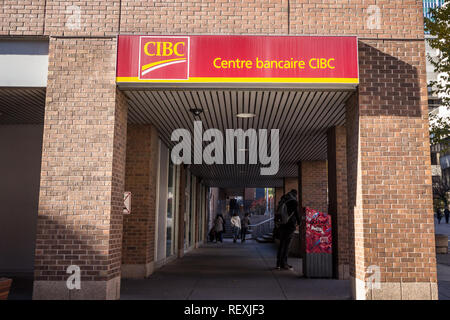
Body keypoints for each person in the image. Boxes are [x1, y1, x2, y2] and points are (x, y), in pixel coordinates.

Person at [276, 189, 301, 270]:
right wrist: (299, 222)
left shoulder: (283, 199)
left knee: (281, 244)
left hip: (281, 225)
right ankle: (284, 263)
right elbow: (297, 214)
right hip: (289, 226)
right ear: (295, 194)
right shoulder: (294, 202)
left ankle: (278, 264)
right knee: (286, 246)